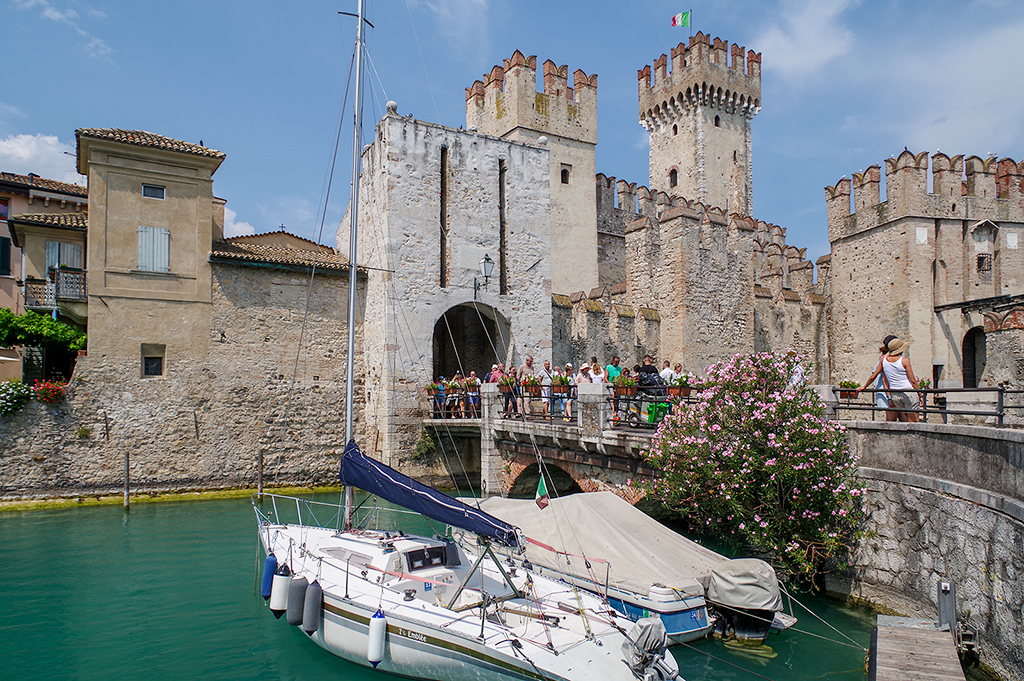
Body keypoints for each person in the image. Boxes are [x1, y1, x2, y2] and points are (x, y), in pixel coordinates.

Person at [861, 338, 921, 422]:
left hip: (894, 394)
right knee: (914, 420)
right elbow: (913, 381)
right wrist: (920, 394)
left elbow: (873, 376)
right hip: (907, 392)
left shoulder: (883, 359)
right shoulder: (904, 361)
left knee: (907, 418)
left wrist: (864, 386)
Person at [861, 335, 899, 422]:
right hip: (888, 392)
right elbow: (877, 377)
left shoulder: (885, 358)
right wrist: (865, 386)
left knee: (900, 417)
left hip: (890, 391)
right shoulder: (886, 359)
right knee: (892, 419)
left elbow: (874, 375)